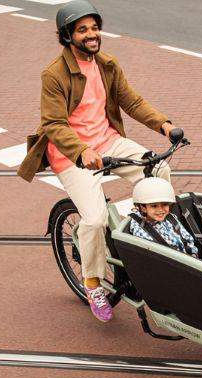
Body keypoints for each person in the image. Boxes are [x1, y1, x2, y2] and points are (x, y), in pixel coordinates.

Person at [17, 0, 178, 322]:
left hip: (109, 141)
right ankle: (92, 282)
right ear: (67, 36)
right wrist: (81, 151)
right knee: (93, 220)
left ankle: (144, 231)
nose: (92, 35)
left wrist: (164, 125)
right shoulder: (54, 74)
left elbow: (129, 100)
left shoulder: (107, 64)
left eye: (94, 28)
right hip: (72, 155)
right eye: (83, 30)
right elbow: (53, 123)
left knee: (159, 169)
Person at [127, 178, 199, 258]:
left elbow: (188, 240)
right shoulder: (141, 231)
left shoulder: (171, 218)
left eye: (164, 204)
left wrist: (193, 253)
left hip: (188, 258)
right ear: (143, 208)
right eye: (154, 206)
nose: (160, 210)